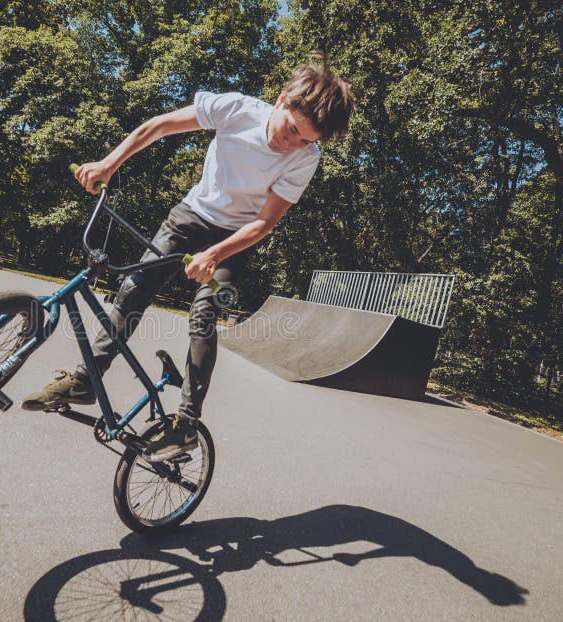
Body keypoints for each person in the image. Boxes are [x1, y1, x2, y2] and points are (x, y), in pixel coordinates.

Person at [22, 53, 357, 461]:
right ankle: (83, 382)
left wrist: (214, 255)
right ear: (282, 99)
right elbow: (160, 126)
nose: (291, 144)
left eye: (305, 140)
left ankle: (186, 425)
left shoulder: (305, 158)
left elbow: (264, 223)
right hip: (188, 220)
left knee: (203, 315)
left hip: (235, 241)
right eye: (291, 130)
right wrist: (108, 164)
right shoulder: (235, 109)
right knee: (133, 290)